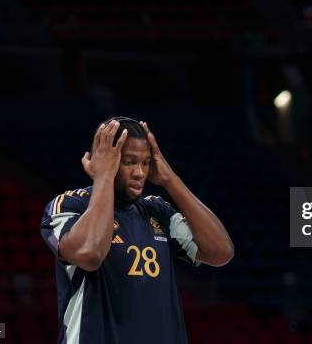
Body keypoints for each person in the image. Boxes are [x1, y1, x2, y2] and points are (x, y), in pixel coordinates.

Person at [40, 117, 234, 344]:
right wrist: (104, 176)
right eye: (129, 162)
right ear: (104, 160)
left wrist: (170, 179)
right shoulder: (69, 205)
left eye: (146, 162)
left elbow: (221, 252)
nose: (140, 173)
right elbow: (89, 254)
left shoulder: (157, 210)